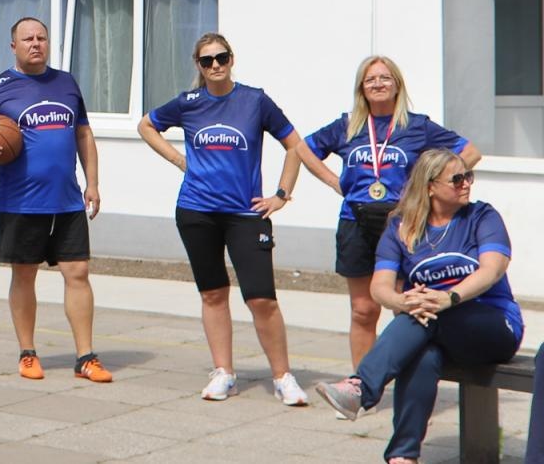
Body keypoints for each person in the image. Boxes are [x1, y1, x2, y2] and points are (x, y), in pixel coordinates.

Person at [137, 32, 324, 406]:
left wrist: (281, 195)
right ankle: (224, 372)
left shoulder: (254, 100)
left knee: (261, 299)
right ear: (199, 66)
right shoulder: (189, 103)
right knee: (212, 293)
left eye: (221, 57)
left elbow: (295, 146)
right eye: (207, 61)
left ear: (231, 58)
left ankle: (283, 377)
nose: (215, 65)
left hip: (245, 214)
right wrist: (179, 161)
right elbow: (145, 126)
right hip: (196, 211)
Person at [315, 149, 523, 464]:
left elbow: (491, 270)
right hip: (434, 326)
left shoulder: (482, 216)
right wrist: (401, 300)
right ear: (429, 186)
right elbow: (380, 287)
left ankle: (360, 387)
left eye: (468, 176)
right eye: (457, 179)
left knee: (427, 316)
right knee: (422, 356)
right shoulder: (400, 227)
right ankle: (403, 456)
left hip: (493, 325)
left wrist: (448, 298)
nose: (466, 183)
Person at [294, 55, 480, 368]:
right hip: (355, 222)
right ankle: (362, 385)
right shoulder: (346, 126)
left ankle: (409, 385)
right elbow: (302, 148)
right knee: (363, 309)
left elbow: (470, 152)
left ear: (396, 85)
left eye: (385, 78)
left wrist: (425, 187)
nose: (378, 84)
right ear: (361, 89)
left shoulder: (417, 126)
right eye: (371, 80)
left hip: (403, 225)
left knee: (406, 306)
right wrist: (334, 182)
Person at [0, 17, 111, 384]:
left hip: (68, 200)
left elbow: (84, 134)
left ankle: (85, 357)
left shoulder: (66, 82)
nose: (36, 44)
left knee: (78, 273)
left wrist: (92, 183)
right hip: (20, 201)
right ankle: (28, 353)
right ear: (13, 46)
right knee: (24, 275)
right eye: (27, 39)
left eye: (41, 38)